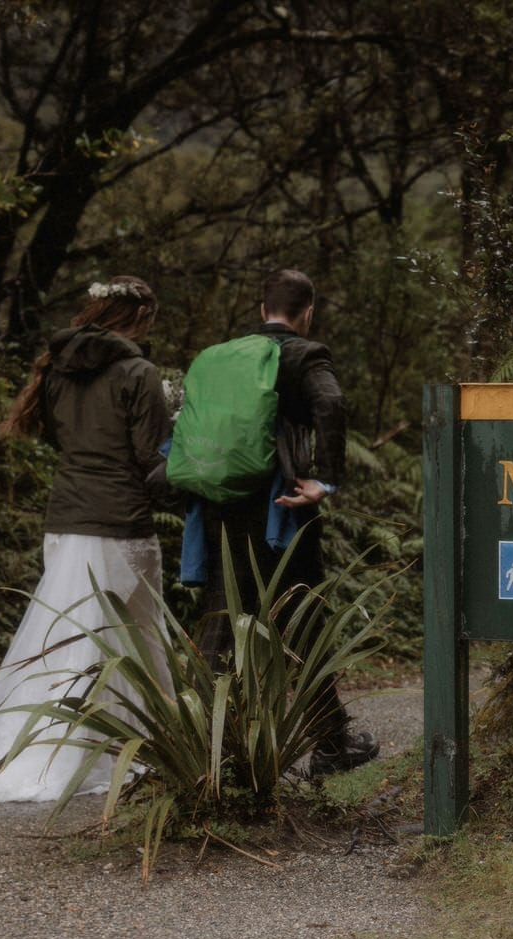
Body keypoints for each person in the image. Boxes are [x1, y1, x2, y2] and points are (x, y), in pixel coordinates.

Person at [0, 277, 173, 803]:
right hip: (118, 522)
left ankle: (134, 744)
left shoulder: (60, 369)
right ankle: (126, 747)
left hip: (64, 521)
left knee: (75, 636)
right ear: (138, 319)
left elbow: (67, 439)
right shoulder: (138, 372)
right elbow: (151, 457)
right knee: (130, 635)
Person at [194, 269, 378, 776]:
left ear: (261, 310)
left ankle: (207, 750)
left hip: (221, 508)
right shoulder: (302, 354)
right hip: (282, 509)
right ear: (307, 312)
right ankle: (330, 744)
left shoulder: (222, 357)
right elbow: (332, 403)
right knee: (304, 624)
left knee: (224, 621)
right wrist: (325, 479)